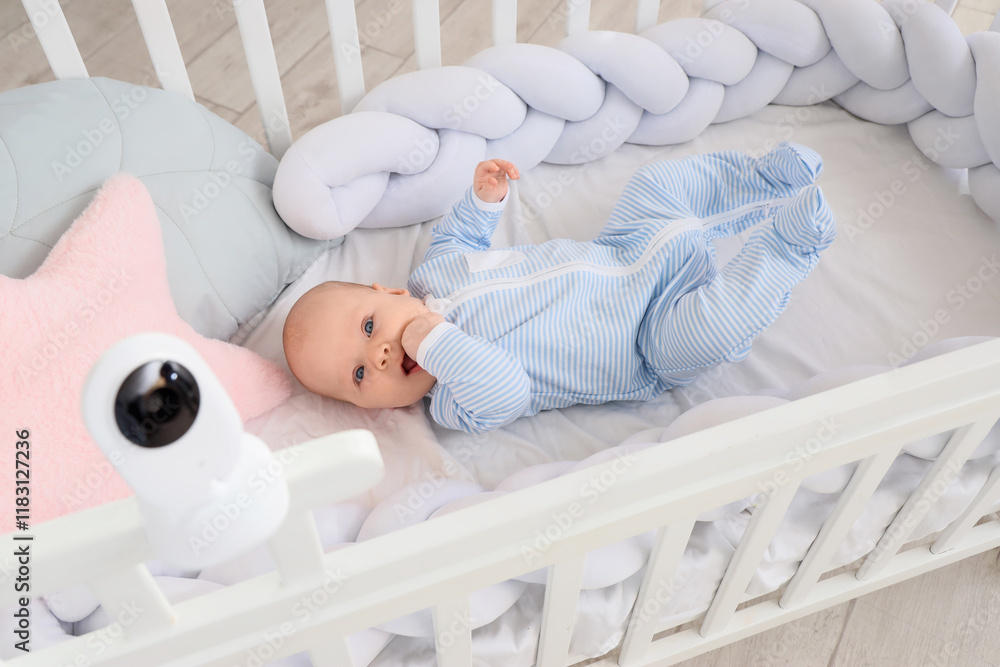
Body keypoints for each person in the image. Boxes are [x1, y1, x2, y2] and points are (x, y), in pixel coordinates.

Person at [282, 142, 835, 433]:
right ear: (370, 408)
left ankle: (763, 181)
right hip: (649, 342)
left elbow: (461, 236)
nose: (379, 355)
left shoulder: (435, 272)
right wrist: (435, 342)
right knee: (713, 329)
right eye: (359, 376)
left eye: (369, 327)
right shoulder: (454, 403)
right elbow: (506, 389)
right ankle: (789, 246)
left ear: (389, 293)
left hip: (625, 249)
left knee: (655, 185)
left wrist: (484, 200)